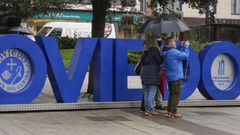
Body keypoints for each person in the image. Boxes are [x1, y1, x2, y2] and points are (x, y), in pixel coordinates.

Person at [162, 37, 190, 118]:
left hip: (170, 76)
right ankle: (173, 112)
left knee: (172, 94)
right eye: (174, 42)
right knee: (176, 94)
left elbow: (176, 52)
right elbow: (185, 55)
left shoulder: (166, 51)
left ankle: (169, 111)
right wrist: (186, 46)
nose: (175, 43)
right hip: (176, 76)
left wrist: (181, 46)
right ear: (170, 43)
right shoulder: (172, 52)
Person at [140, 35, 163, 116]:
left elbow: (142, 61)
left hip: (144, 73)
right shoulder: (155, 50)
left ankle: (146, 109)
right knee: (152, 91)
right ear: (154, 41)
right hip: (153, 73)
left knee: (146, 91)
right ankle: (151, 109)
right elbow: (159, 61)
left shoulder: (145, 51)